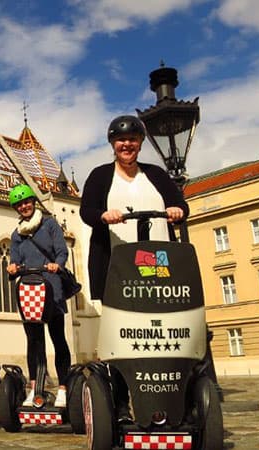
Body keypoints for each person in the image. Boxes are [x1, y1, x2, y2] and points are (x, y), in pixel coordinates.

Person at [79, 115, 189, 420]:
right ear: (113, 144)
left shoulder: (156, 174)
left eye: (132, 140)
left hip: (157, 264)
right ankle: (121, 404)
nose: (126, 145)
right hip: (118, 266)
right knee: (121, 337)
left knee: (162, 332)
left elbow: (181, 205)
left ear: (140, 143)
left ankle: (168, 399)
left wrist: (177, 210)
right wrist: (103, 216)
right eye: (120, 140)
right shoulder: (100, 176)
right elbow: (87, 211)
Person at [6, 184, 72, 408]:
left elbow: (62, 251)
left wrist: (57, 264)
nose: (24, 206)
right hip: (29, 290)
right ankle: (34, 387)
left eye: (26, 202)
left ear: (33, 202)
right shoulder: (17, 234)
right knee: (33, 341)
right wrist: (12, 267)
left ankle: (63, 387)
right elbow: (14, 258)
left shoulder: (50, 224)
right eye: (19, 204)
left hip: (52, 288)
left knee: (58, 337)